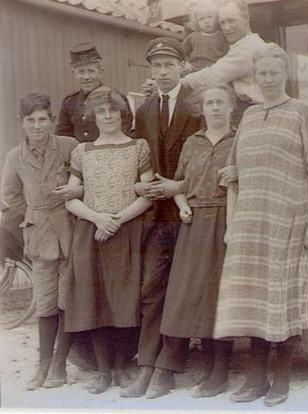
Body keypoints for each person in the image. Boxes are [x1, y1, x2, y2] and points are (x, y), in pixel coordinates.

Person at [214, 44, 308, 406]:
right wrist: (232, 223)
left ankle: (281, 379)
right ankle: (254, 380)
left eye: (273, 73)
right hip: (250, 224)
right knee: (254, 301)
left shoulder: (303, 111)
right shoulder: (249, 116)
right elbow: (233, 176)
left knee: (282, 299)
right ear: (254, 76)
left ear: (285, 75)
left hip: (289, 220)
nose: (267, 80)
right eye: (261, 73)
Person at [120, 37, 201, 399]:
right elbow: (142, 159)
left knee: (183, 290)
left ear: (182, 67)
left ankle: (169, 369)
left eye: (170, 64)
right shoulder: (146, 109)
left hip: (191, 210)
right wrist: (146, 187)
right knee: (152, 288)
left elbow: (207, 161)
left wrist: (179, 187)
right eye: (157, 66)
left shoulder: (198, 105)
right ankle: (146, 367)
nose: (163, 72)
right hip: (156, 214)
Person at [62, 87, 153, 394]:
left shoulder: (138, 147)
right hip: (92, 232)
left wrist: (116, 220)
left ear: (122, 114)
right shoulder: (82, 151)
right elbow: (70, 199)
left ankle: (123, 366)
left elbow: (148, 195)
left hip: (126, 229)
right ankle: (103, 371)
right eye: (101, 112)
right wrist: (97, 217)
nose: (107, 117)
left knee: (124, 299)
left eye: (113, 111)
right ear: (93, 117)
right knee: (95, 300)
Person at [157, 84, 236, 399]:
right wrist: (182, 205)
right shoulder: (192, 142)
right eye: (209, 103)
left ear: (231, 107)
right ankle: (168, 368)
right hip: (193, 223)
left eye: (220, 102)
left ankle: (219, 372)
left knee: (219, 294)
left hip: (227, 220)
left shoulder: (240, 140)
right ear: (202, 109)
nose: (215, 108)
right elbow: (181, 184)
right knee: (184, 292)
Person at [1, 92, 79, 390]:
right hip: (40, 236)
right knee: (46, 303)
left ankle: (60, 365)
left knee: (69, 300)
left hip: (71, 231)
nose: (37, 126)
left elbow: (83, 181)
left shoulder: (69, 146)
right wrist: (31, 219)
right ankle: (43, 365)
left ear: (52, 120)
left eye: (42, 119)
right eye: (31, 121)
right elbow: (11, 197)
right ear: (21, 123)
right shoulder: (14, 157)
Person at [55, 42, 133, 142]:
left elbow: (124, 131)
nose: (86, 77)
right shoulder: (69, 102)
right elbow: (63, 137)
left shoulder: (116, 98)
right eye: (81, 72)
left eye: (91, 71)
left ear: (101, 72)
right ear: (74, 74)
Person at [182, 0, 229, 73]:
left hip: (215, 71)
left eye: (210, 17)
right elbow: (181, 51)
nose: (206, 21)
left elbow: (229, 56)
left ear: (217, 18)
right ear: (196, 22)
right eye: (201, 19)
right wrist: (185, 63)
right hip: (194, 70)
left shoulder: (223, 36)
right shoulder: (193, 37)